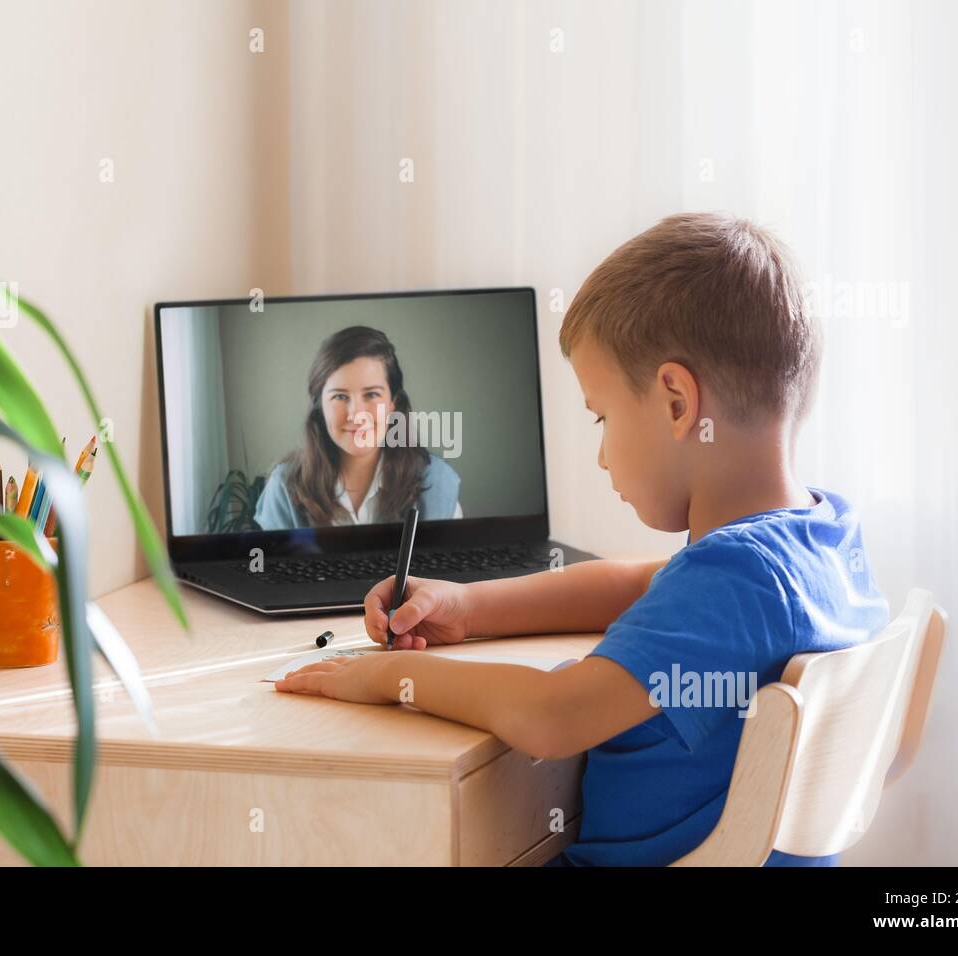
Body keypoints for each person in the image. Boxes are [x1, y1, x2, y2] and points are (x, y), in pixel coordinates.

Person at [273, 212, 891, 866]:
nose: (601, 456)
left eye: (602, 417)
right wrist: (469, 605)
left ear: (677, 402)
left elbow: (553, 716)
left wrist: (392, 675)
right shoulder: (816, 538)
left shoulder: (737, 580)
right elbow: (636, 584)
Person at [254, 325, 461, 530]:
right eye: (340, 396)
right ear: (320, 407)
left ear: (392, 404)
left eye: (371, 395)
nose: (357, 414)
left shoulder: (437, 482)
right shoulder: (284, 485)